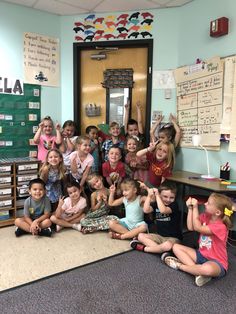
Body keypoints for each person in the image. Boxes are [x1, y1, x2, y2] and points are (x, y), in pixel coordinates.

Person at [163, 193, 234, 287]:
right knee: (176, 247)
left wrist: (196, 207)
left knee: (206, 270)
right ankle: (196, 272)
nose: (205, 204)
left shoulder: (221, 226)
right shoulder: (206, 216)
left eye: (208, 203)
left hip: (217, 262)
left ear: (217, 212)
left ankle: (180, 266)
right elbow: (191, 227)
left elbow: (198, 228)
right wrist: (190, 208)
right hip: (201, 255)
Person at [130, 181, 182, 255]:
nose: (168, 199)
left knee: (168, 245)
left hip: (173, 238)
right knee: (140, 236)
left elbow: (163, 210)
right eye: (165, 197)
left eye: (172, 197)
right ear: (160, 195)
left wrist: (157, 196)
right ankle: (161, 250)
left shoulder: (174, 205)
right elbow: (146, 210)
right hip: (159, 236)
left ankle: (145, 249)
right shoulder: (156, 204)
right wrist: (149, 196)